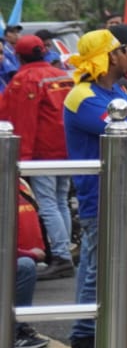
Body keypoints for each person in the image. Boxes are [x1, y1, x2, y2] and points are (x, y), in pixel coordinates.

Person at [64, 26, 127, 348]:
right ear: (110, 56)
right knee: (95, 272)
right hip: (101, 198)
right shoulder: (80, 96)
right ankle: (84, 340)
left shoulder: (120, 90)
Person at [4, 33, 76, 279]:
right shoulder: (63, 75)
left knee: (47, 204)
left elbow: (24, 120)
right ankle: (64, 250)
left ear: (18, 54)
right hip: (67, 149)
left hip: (43, 152)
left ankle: (62, 256)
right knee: (60, 201)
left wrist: (20, 158)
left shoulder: (25, 79)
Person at [13, 177, 49, 348]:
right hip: (17, 258)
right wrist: (29, 254)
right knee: (25, 266)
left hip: (20, 255)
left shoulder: (20, 182)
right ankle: (13, 332)